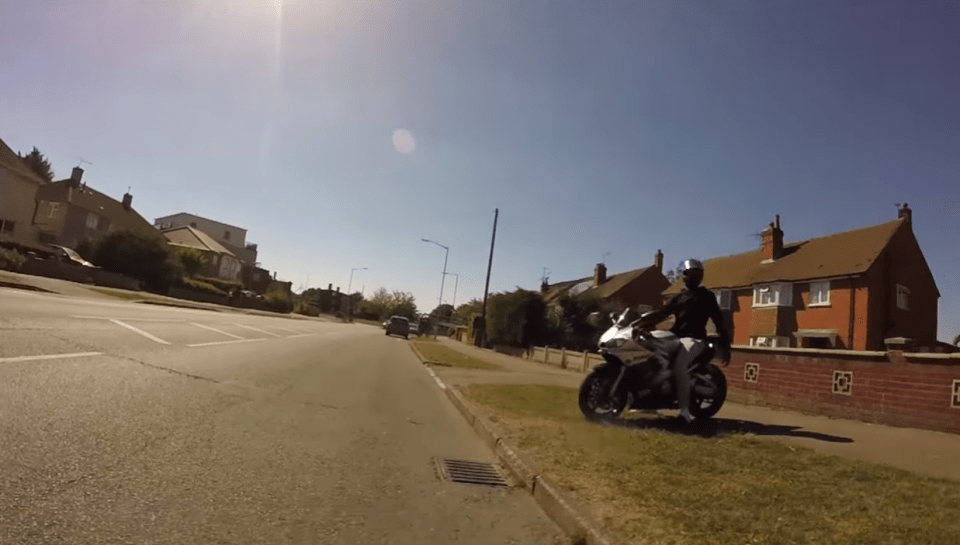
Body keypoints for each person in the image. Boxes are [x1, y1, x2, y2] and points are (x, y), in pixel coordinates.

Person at [639, 259, 731, 423]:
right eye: (690, 274)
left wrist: (725, 343)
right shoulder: (679, 298)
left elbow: (718, 320)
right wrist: (641, 324)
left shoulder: (706, 296)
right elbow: (662, 313)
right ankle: (648, 396)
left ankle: (685, 412)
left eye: (697, 274)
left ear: (701, 276)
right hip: (675, 337)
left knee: (679, 365)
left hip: (695, 340)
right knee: (648, 347)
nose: (693, 277)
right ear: (684, 276)